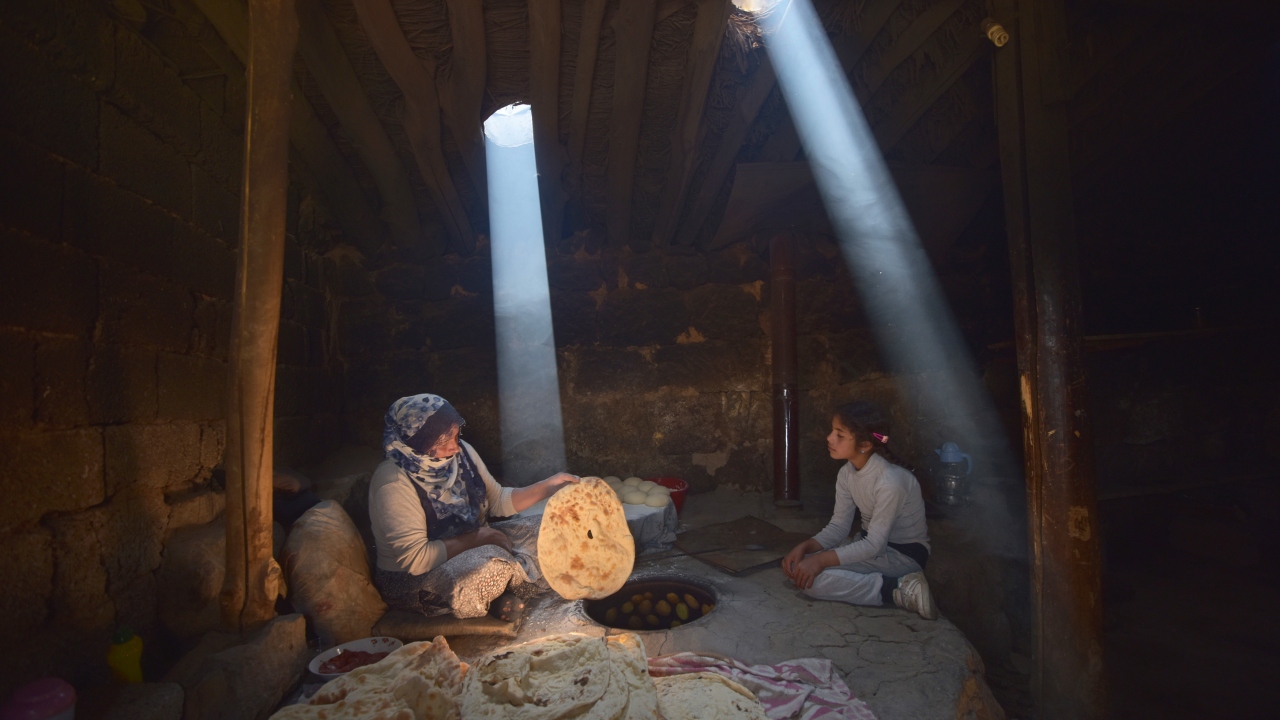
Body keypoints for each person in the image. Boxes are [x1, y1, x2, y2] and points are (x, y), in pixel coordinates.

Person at [370, 393, 578, 622]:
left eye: (456, 436)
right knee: (490, 570)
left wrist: (547, 487)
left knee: (555, 527)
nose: (454, 447)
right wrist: (479, 537)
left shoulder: (463, 453)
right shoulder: (393, 483)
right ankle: (500, 591)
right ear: (416, 443)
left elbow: (497, 499)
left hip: (478, 545)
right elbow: (416, 559)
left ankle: (501, 593)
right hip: (417, 577)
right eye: (442, 442)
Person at [781, 401, 938, 619]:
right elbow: (838, 526)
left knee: (813, 582)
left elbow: (875, 544)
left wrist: (821, 560)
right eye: (832, 431)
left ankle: (899, 589)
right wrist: (806, 547)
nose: (829, 438)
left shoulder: (890, 482)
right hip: (870, 547)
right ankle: (887, 584)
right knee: (799, 570)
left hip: (902, 556)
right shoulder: (847, 473)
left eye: (840, 434)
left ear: (865, 443)